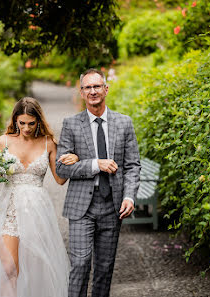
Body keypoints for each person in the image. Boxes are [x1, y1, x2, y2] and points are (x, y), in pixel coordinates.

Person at [0, 97, 78, 297]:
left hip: (37, 210)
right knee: (9, 268)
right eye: (22, 123)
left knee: (35, 267)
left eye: (31, 123)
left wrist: (72, 159)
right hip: (9, 209)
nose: (26, 128)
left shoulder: (49, 143)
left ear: (38, 121)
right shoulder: (3, 141)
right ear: (15, 120)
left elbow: (60, 180)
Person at [56, 68, 141, 297]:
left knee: (104, 269)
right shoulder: (71, 125)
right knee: (81, 264)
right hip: (81, 207)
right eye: (87, 87)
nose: (93, 91)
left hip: (112, 207)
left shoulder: (124, 123)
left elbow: (133, 165)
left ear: (106, 89)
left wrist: (129, 196)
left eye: (96, 86)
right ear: (81, 93)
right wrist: (96, 164)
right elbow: (61, 167)